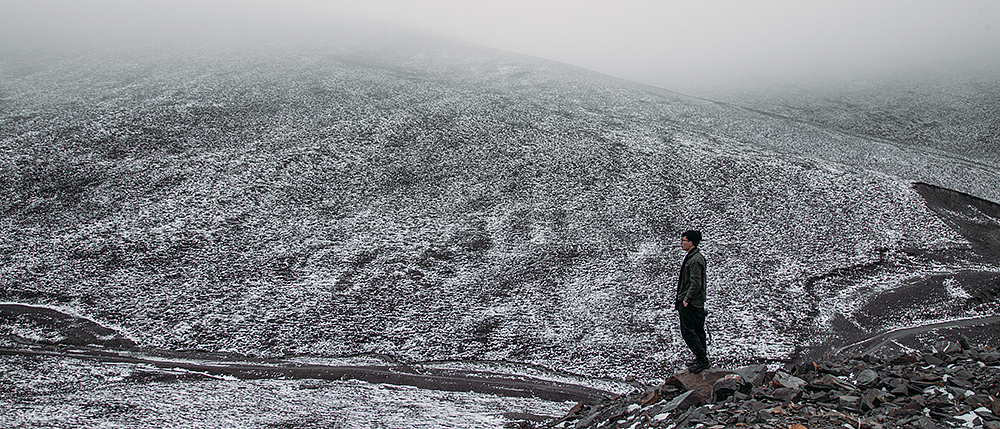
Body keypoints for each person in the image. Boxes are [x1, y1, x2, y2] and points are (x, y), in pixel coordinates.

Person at [677, 230, 709, 373]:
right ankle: (700, 358)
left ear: (691, 243)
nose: (681, 243)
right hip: (695, 302)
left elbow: (696, 282)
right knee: (698, 331)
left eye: (683, 240)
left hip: (691, 303)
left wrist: (687, 299)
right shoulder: (694, 257)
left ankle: (702, 359)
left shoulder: (695, 259)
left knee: (688, 332)